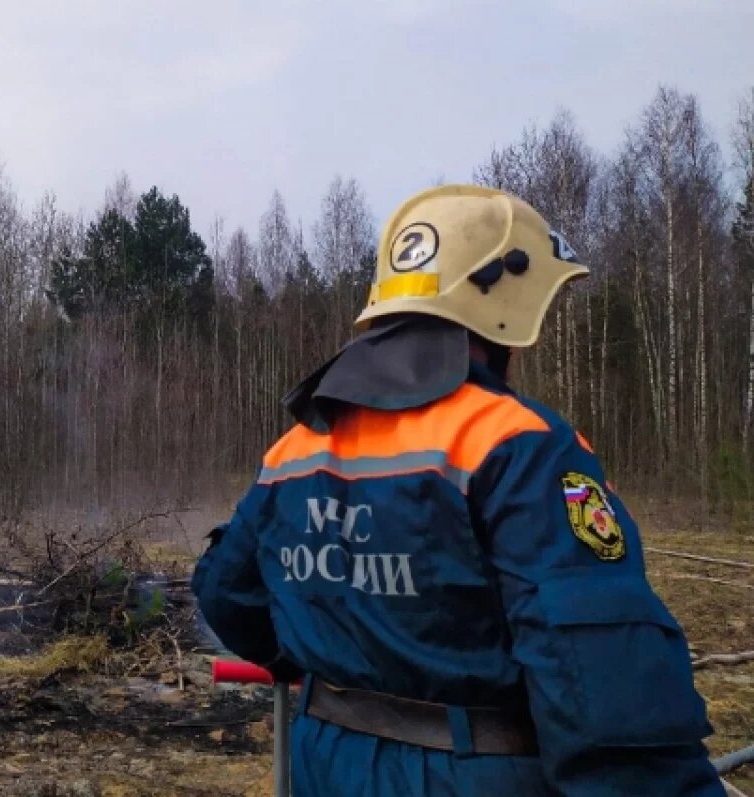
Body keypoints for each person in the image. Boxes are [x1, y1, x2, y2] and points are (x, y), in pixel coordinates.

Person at [191, 185, 724, 795]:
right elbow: (600, 682)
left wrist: (319, 665)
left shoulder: (296, 448)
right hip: (473, 771)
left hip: (324, 758)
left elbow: (225, 590)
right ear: (506, 307)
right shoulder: (515, 442)